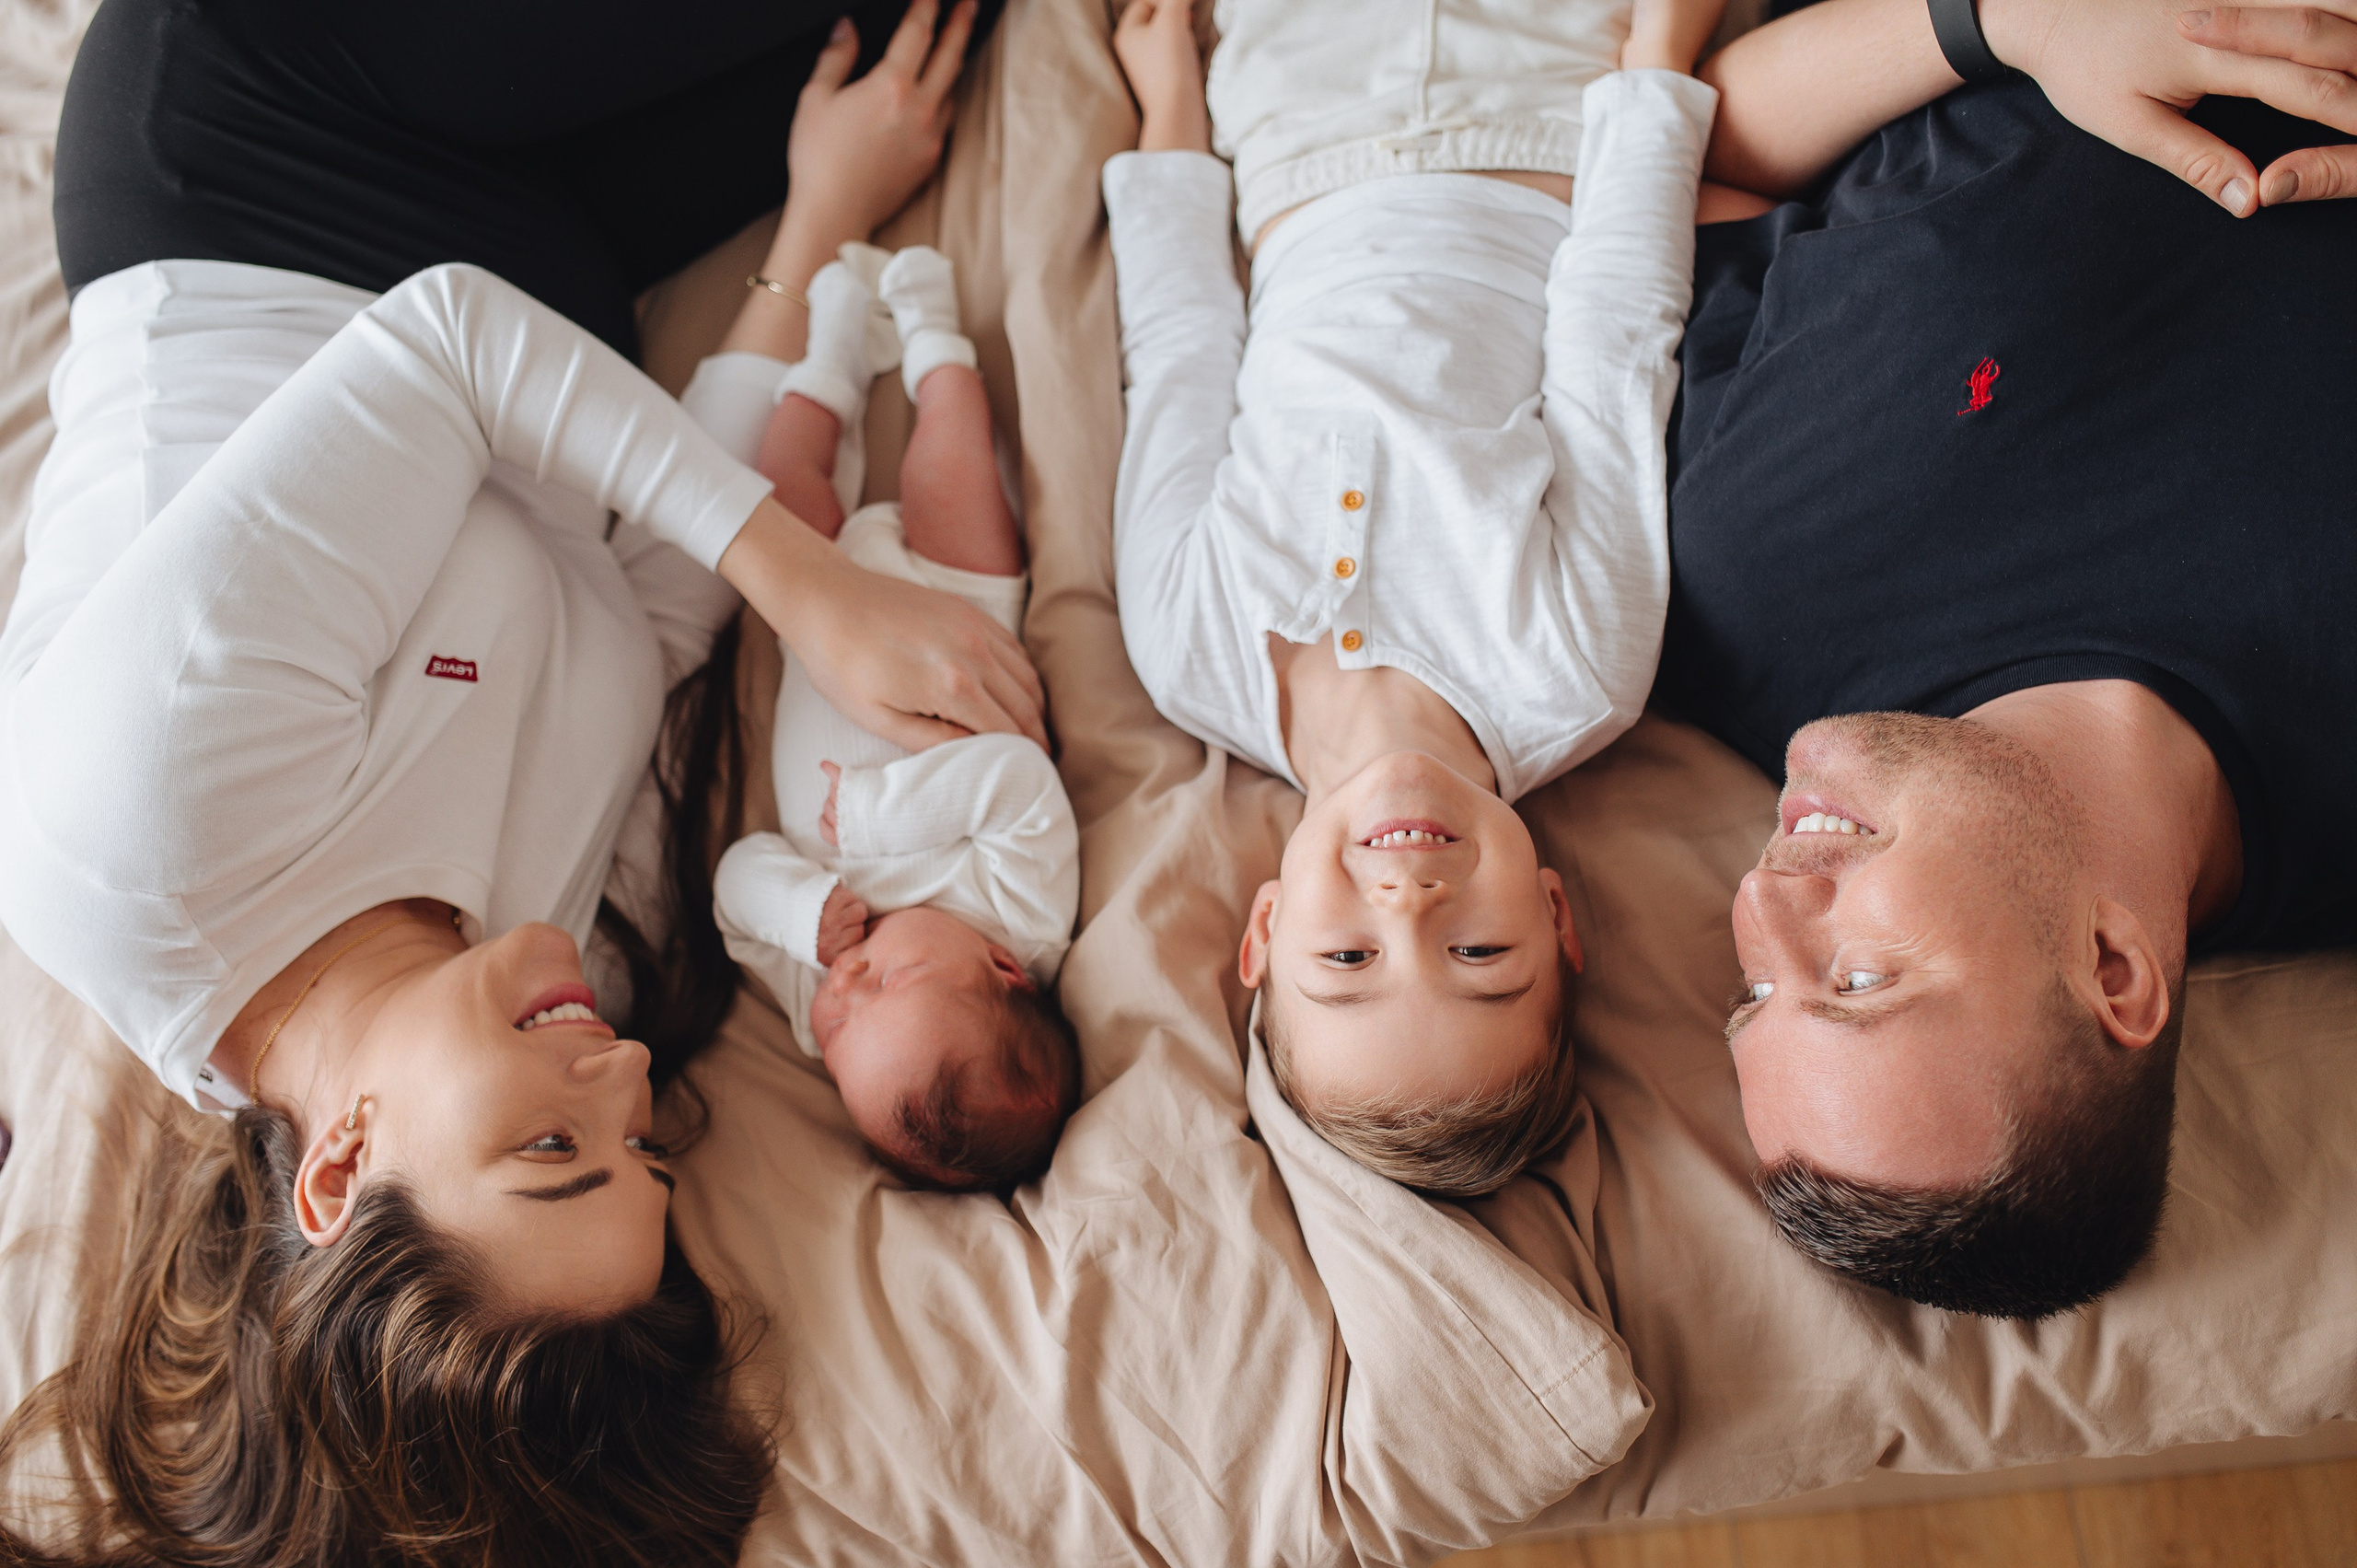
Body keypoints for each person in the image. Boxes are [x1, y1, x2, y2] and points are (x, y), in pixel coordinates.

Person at [0, 1, 1035, 1562]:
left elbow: (447, 344)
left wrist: (816, 585)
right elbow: (649, 612)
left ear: (338, 1167)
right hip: (548, 268)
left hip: (262, 150)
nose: (618, 1082)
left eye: (554, 1153)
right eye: (642, 1154)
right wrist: (819, 216)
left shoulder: (138, 825)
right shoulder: (555, 976)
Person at [1658, 0, 2357, 1317]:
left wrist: (2004, 22)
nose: (1762, 907)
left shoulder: (1740, 593)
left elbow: (1700, 154)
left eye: (1756, 991)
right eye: (1857, 980)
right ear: (2113, 967)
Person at [1104, 0, 1728, 1195]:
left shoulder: (1187, 647)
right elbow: (1611, 348)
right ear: (1556, 914)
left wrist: (1170, 103)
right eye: (1480, 950)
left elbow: (1182, 353)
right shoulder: (1578, 671)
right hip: (1537, 112)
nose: (1408, 899)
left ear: (1264, 933)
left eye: (1348, 955)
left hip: (1296, 127)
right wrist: (1658, 58)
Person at [691, 245, 1081, 1191]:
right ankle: (929, 332)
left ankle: (830, 344)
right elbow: (1022, 787)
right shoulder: (1020, 911)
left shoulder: (814, 965)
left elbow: (735, 884)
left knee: (782, 474)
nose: (844, 986)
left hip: (813, 599)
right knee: (949, 449)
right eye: (888, 983)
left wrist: (793, 907)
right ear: (1001, 969)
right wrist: (870, 821)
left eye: (833, 1029)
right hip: (959, 609)